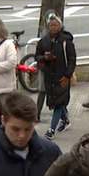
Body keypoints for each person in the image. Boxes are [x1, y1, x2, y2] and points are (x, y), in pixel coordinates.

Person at [35, 12, 76, 140]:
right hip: (49, 76)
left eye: (55, 25)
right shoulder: (44, 41)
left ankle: (51, 129)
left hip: (62, 76)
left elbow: (72, 59)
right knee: (56, 101)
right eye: (51, 25)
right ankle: (65, 120)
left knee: (59, 102)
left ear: (60, 25)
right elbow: (37, 56)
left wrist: (68, 75)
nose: (53, 28)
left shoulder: (66, 41)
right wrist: (44, 58)